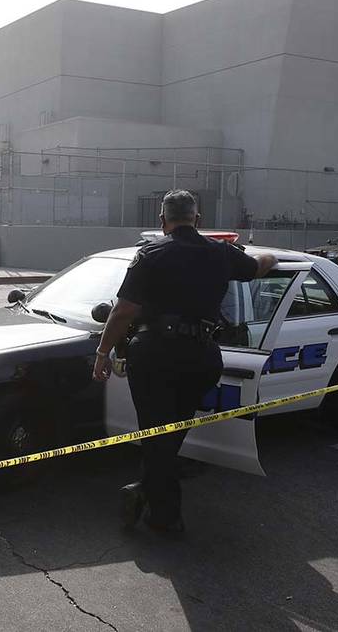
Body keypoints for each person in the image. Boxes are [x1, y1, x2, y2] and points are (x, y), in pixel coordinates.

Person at [92, 190, 276, 534]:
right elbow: (258, 267)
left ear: (162, 222)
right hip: (201, 357)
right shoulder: (221, 254)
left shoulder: (151, 254)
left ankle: (165, 518)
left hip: (156, 356)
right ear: (198, 220)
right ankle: (149, 493)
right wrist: (269, 257)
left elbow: (123, 312)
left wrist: (103, 352)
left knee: (156, 434)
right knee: (171, 433)